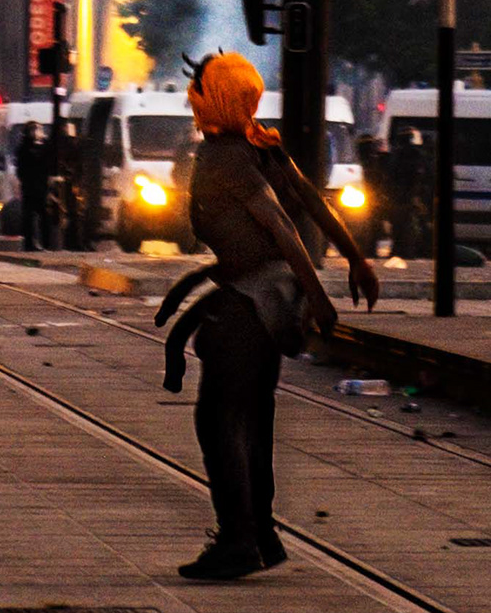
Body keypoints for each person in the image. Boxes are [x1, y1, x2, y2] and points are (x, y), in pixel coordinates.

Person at [162, 53, 380, 581]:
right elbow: (314, 201)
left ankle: (238, 539)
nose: (193, 98)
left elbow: (283, 225)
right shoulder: (264, 143)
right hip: (273, 298)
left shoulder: (226, 159)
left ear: (214, 99)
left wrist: (323, 297)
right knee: (254, 419)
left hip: (247, 305)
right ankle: (260, 532)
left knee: (219, 420)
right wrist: (355, 259)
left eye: (200, 89)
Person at [388, 127, 427, 258]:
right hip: (408, 196)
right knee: (407, 225)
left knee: (401, 226)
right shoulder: (416, 154)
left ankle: (400, 251)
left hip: (402, 196)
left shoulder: (398, 155)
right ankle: (407, 251)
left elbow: (391, 176)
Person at [14, 121, 54, 251]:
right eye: (33, 130)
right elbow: (21, 167)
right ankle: (29, 243)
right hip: (29, 186)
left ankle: (46, 243)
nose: (36, 133)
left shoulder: (45, 146)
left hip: (41, 186)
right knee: (29, 216)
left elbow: (48, 163)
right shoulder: (23, 148)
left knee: (44, 215)